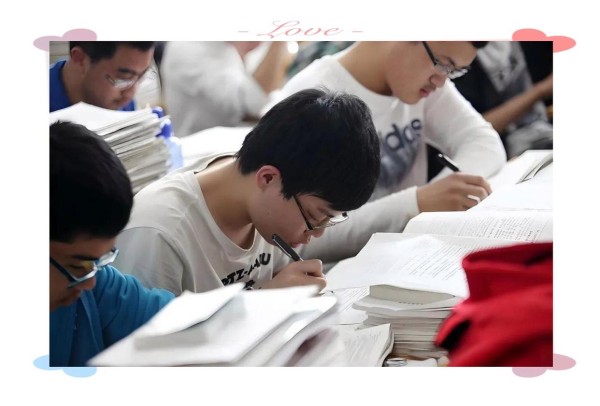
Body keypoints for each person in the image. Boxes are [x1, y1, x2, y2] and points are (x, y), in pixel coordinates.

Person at [113, 88, 381, 295]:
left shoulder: (267, 208)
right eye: (314, 217)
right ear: (268, 178)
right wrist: (264, 303)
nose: (317, 233)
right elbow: (147, 346)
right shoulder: (158, 233)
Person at [268, 41, 507, 262]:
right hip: (343, 272)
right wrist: (416, 204)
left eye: (454, 71)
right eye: (443, 63)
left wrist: (442, 195)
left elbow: (485, 143)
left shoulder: (418, 81)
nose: (441, 81)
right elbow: (300, 239)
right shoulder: (315, 100)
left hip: (409, 253)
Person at [50, 121, 174, 366]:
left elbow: (177, 320)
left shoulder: (96, 284)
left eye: (99, 261)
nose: (90, 282)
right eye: (76, 265)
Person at [160, 41, 290, 137]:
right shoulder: (188, 49)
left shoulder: (225, 47)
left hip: (227, 144)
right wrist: (278, 42)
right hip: (202, 153)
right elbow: (249, 107)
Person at [453, 41, 553, 158]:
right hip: (508, 148)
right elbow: (475, 128)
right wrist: (541, 91)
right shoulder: (460, 54)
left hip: (546, 126)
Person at [50, 41, 155, 112]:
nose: (130, 94)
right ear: (80, 59)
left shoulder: (122, 105)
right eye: (122, 79)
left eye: (141, 77)